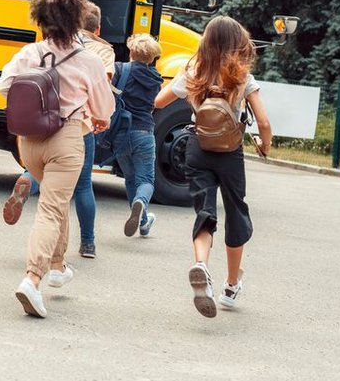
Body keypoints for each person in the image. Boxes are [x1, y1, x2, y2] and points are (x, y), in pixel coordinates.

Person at [0, 0, 114, 318]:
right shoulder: (88, 60)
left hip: (29, 142)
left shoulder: (29, 53)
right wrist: (92, 113)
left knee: (55, 201)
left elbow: (3, 85)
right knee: (51, 208)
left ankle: (59, 265)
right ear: (76, 18)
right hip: (66, 139)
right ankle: (32, 278)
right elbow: (104, 109)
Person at [154, 16, 272, 318]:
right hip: (230, 152)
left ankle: (202, 265)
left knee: (205, 211)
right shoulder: (242, 76)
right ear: (237, 43)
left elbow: (159, 101)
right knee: (235, 212)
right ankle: (231, 286)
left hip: (197, 147)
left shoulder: (193, 71)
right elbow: (264, 122)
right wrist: (265, 145)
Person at [111, 34, 164, 238]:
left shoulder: (120, 70)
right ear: (151, 58)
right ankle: (141, 203)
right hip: (144, 133)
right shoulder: (156, 79)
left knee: (130, 178)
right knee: (146, 180)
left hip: (121, 133)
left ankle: (143, 221)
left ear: (131, 52)